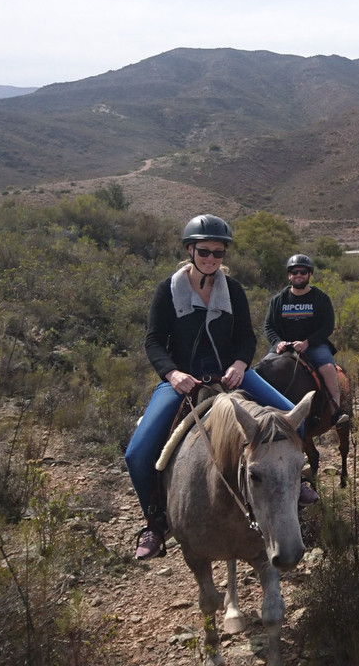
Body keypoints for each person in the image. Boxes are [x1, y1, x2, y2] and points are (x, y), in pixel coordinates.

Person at [125, 215, 319, 561]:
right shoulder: (167, 291)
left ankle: (296, 482)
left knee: (294, 420)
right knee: (137, 453)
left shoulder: (233, 290)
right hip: (183, 380)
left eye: (218, 252)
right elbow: (154, 342)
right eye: (204, 251)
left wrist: (241, 364)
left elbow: (246, 337)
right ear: (190, 250)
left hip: (231, 375)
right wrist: (172, 374)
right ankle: (155, 522)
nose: (211, 258)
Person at [263, 254, 351, 428]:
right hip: (285, 347)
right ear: (289, 275)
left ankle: (336, 411)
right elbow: (269, 326)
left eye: (303, 272)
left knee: (328, 368)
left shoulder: (321, 298)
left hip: (313, 345)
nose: (298, 275)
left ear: (309, 274)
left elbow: (327, 326)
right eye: (294, 272)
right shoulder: (278, 300)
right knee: (262, 369)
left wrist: (307, 342)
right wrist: (277, 342)